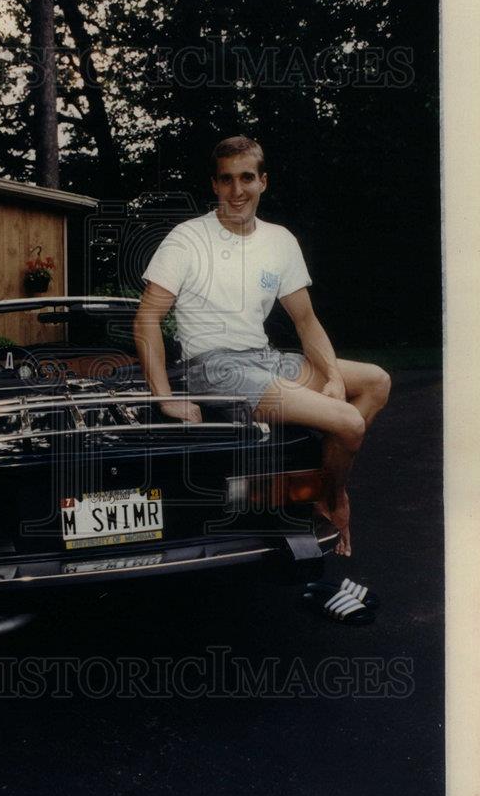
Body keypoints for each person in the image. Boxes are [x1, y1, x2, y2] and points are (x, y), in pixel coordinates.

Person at [133, 135, 391, 559]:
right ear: (215, 186)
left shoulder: (280, 241)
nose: (237, 191)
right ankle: (333, 498)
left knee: (376, 382)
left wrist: (329, 376)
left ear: (263, 182)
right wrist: (164, 398)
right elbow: (146, 318)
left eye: (247, 178)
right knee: (349, 423)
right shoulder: (187, 239)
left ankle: (323, 485)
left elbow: (305, 320)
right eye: (227, 180)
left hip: (264, 359)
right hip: (215, 369)